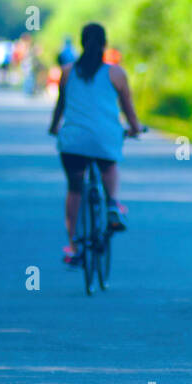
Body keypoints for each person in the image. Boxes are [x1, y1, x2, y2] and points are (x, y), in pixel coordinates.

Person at [48, 22, 141, 264]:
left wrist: (54, 127)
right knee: (108, 167)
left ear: (80, 43)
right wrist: (135, 128)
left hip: (73, 141)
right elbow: (128, 108)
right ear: (105, 44)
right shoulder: (116, 73)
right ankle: (111, 203)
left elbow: (61, 105)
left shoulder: (67, 72)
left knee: (75, 188)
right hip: (105, 138)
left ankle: (73, 247)